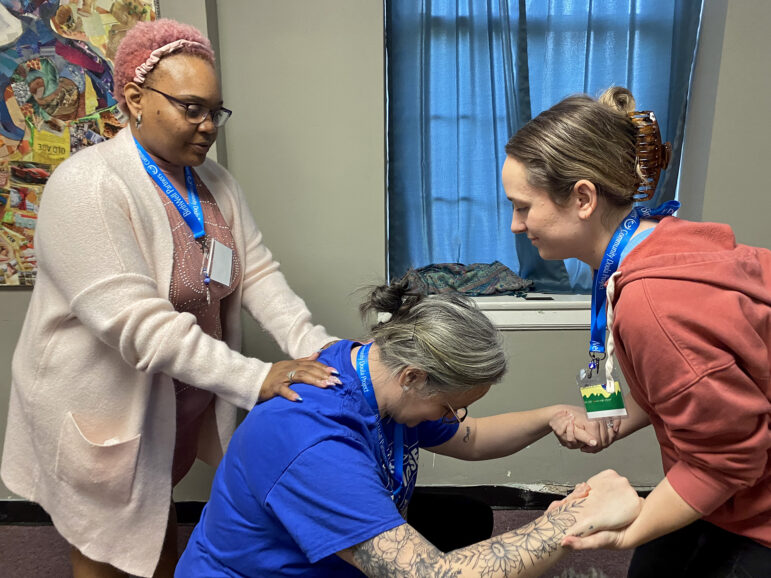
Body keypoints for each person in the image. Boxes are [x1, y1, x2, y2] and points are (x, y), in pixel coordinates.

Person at [0, 19, 340, 578]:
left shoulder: (214, 183)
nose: (208, 126)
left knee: (154, 528)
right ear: (135, 98)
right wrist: (259, 378)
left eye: (216, 110)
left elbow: (257, 274)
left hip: (176, 400)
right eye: (191, 108)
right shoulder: (87, 185)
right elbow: (142, 326)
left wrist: (321, 349)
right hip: (100, 406)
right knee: (108, 544)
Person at [176, 279, 643, 577]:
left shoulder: (372, 368)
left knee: (466, 517)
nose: (451, 420)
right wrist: (572, 517)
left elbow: (473, 438)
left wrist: (551, 416)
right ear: (413, 378)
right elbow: (429, 575)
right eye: (448, 406)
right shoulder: (313, 443)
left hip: (322, 554)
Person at [502, 86, 771, 577]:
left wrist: (628, 531)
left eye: (523, 207)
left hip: (754, 504)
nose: (517, 225)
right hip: (724, 478)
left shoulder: (655, 303)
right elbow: (706, 383)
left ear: (583, 198)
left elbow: (730, 459)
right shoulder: (657, 241)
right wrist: (616, 421)